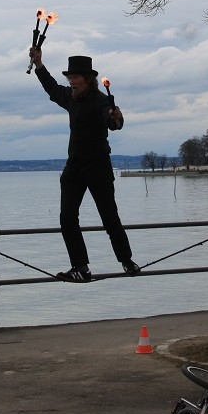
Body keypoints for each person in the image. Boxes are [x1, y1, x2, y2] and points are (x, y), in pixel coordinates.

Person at [29, 46, 140, 282]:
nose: (71, 82)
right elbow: (51, 87)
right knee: (67, 218)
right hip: (75, 167)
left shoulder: (100, 101)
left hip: (98, 167)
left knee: (109, 218)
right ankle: (80, 267)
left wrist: (116, 118)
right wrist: (39, 64)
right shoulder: (71, 97)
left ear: (88, 79)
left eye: (75, 78)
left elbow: (112, 122)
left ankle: (127, 261)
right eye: (69, 78)